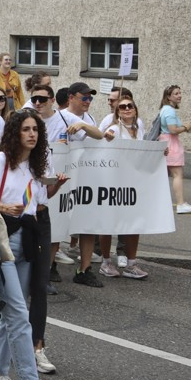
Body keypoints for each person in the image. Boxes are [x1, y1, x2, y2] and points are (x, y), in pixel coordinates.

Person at [0, 111, 57, 380]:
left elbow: (38, 205)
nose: (32, 134)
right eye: (26, 129)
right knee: (17, 311)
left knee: (12, 310)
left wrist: (54, 186)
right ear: (14, 133)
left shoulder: (38, 167)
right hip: (2, 238)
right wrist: (1, 206)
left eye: (36, 130)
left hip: (28, 239)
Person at [58, 82, 109, 287]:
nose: (88, 101)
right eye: (84, 97)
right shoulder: (60, 116)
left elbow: (97, 135)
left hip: (86, 176)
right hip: (65, 175)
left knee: (87, 222)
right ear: (71, 97)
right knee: (59, 220)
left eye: (90, 98)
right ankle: (50, 265)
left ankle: (84, 269)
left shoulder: (89, 118)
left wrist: (85, 126)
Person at [99, 97, 151, 279]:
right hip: (114, 182)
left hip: (133, 182)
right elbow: (104, 150)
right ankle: (106, 261)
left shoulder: (139, 127)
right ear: (117, 112)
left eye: (130, 106)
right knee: (108, 222)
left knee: (133, 223)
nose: (127, 109)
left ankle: (131, 264)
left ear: (135, 109)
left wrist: (159, 152)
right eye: (122, 107)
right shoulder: (114, 129)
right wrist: (108, 138)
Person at [159, 85, 191, 215]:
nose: (179, 95)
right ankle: (180, 204)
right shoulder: (169, 111)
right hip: (171, 144)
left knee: (162, 175)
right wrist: (186, 127)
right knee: (177, 175)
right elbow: (173, 129)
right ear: (168, 97)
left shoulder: (165, 109)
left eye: (180, 93)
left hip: (166, 142)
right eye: (176, 93)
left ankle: (160, 202)